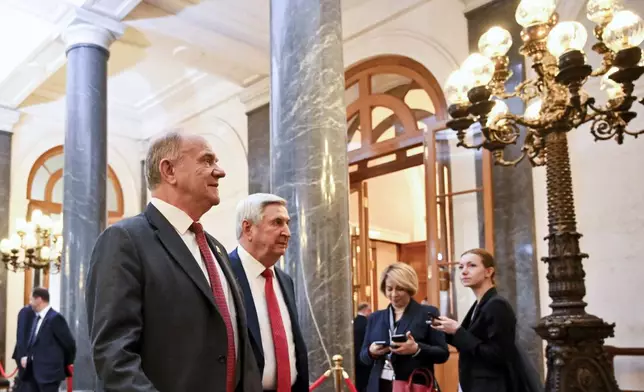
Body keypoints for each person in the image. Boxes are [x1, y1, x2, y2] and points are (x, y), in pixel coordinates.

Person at [86, 131, 262, 392]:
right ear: (169, 170)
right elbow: (114, 355)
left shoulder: (217, 249)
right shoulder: (125, 240)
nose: (220, 171)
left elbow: (237, 343)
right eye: (207, 160)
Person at [228, 193, 309, 392]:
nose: (287, 232)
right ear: (248, 228)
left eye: (287, 223)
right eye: (277, 223)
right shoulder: (222, 273)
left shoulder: (284, 280)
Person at [432, 248, 532, 392]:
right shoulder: (479, 304)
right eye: (461, 267)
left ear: (488, 272)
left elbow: (498, 354)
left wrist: (458, 330)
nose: (464, 271)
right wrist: (446, 329)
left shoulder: (497, 305)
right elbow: (469, 344)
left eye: (471, 265)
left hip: (492, 385)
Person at [360, 263, 449, 392]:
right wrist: (371, 352)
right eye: (389, 289)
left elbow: (443, 354)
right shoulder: (375, 317)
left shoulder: (427, 313)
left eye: (399, 289)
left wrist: (417, 349)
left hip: (413, 386)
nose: (394, 294)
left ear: (409, 288)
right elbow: (363, 358)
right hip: (380, 386)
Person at [14, 288, 75, 392]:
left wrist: (61, 364)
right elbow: (36, 345)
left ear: (39, 300)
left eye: (31, 299)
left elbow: (69, 344)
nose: (30, 303)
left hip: (49, 376)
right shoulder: (37, 319)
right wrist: (28, 358)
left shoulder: (55, 318)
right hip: (34, 374)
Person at [353, 302, 372, 392]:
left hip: (354, 359)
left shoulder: (353, 322)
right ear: (367, 311)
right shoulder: (368, 323)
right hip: (365, 358)